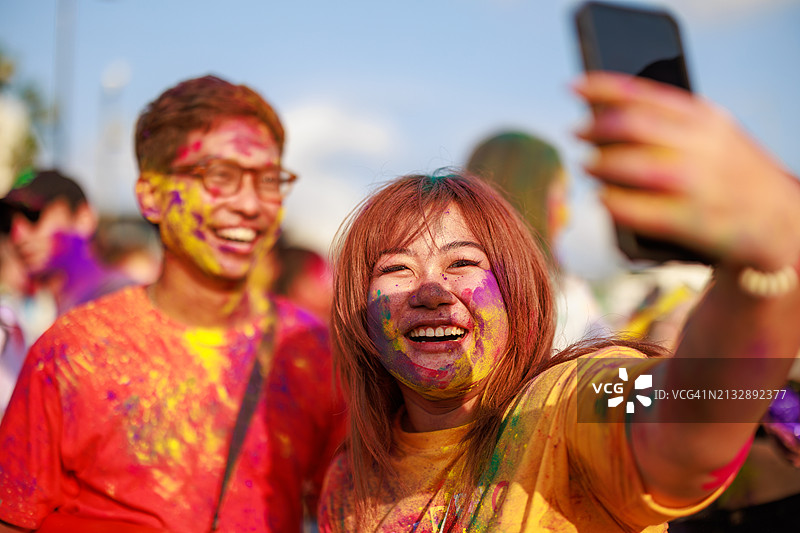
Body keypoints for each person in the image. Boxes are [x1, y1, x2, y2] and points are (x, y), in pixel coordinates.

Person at [316, 72, 800, 532]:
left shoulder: (568, 406)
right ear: (359, 314)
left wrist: (764, 262)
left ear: (517, 292)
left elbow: (688, 420)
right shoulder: (351, 480)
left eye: (462, 262)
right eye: (396, 269)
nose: (431, 291)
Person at [0, 75, 345, 532]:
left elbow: (348, 511)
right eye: (219, 177)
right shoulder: (72, 353)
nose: (250, 204)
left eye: (268, 180)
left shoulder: (309, 352)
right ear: (150, 197)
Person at [466, 131, 608, 350]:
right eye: (561, 198)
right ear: (528, 198)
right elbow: (614, 374)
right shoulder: (560, 298)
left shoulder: (458, 287)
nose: (566, 217)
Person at [1, 169, 135, 316]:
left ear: (84, 219)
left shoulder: (120, 300)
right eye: (7, 224)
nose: (17, 235)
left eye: (33, 216)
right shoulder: (29, 313)